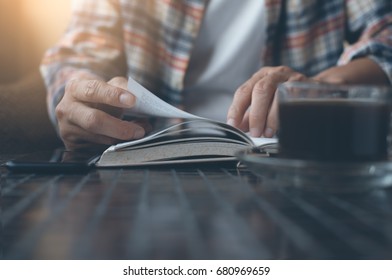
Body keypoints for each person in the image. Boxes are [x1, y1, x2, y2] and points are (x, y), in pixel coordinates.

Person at [41, 0, 392, 151]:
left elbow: (386, 33)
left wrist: (325, 87)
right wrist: (78, 103)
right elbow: (78, 53)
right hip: (141, 156)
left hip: (289, 160)